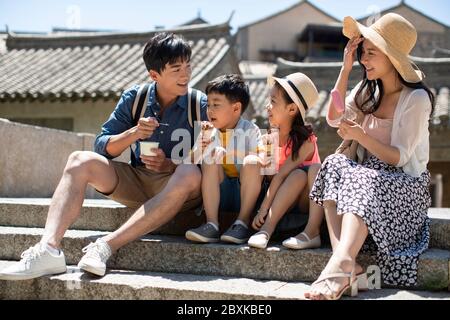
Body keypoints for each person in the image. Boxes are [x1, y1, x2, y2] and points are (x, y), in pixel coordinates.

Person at [0, 32, 208, 280]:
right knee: (79, 159)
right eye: (176, 69)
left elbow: (219, 158)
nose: (186, 74)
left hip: (182, 192)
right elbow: (101, 146)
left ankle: (105, 245)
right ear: (154, 75)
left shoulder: (201, 104)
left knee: (188, 171)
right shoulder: (135, 98)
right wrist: (134, 133)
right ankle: (49, 249)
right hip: (139, 181)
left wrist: (171, 164)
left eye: (188, 66)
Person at [306, 13, 435, 300]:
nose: (365, 59)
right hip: (368, 180)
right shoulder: (368, 90)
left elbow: (399, 158)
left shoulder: (416, 99)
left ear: (392, 57)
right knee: (334, 163)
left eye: (371, 53)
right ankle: (346, 264)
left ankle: (339, 267)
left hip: (404, 187)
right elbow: (333, 117)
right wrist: (345, 68)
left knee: (360, 175)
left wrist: (360, 135)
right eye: (363, 53)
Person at [247, 73, 324, 250]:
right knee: (293, 174)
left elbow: (283, 174)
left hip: (304, 201)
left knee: (302, 173)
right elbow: (270, 177)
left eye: (273, 101)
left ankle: (271, 229)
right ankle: (264, 232)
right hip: (280, 200)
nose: (267, 106)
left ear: (291, 109)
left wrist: (264, 209)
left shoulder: (306, 141)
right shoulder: (269, 137)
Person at [185, 74, 263, 244]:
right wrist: (202, 146)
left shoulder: (251, 129)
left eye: (216, 105)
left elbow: (262, 160)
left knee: (252, 161)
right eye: (209, 105)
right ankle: (212, 224)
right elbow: (190, 161)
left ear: (236, 109)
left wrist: (231, 153)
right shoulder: (208, 131)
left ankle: (242, 223)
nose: (210, 110)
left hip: (246, 192)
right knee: (209, 159)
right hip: (219, 192)